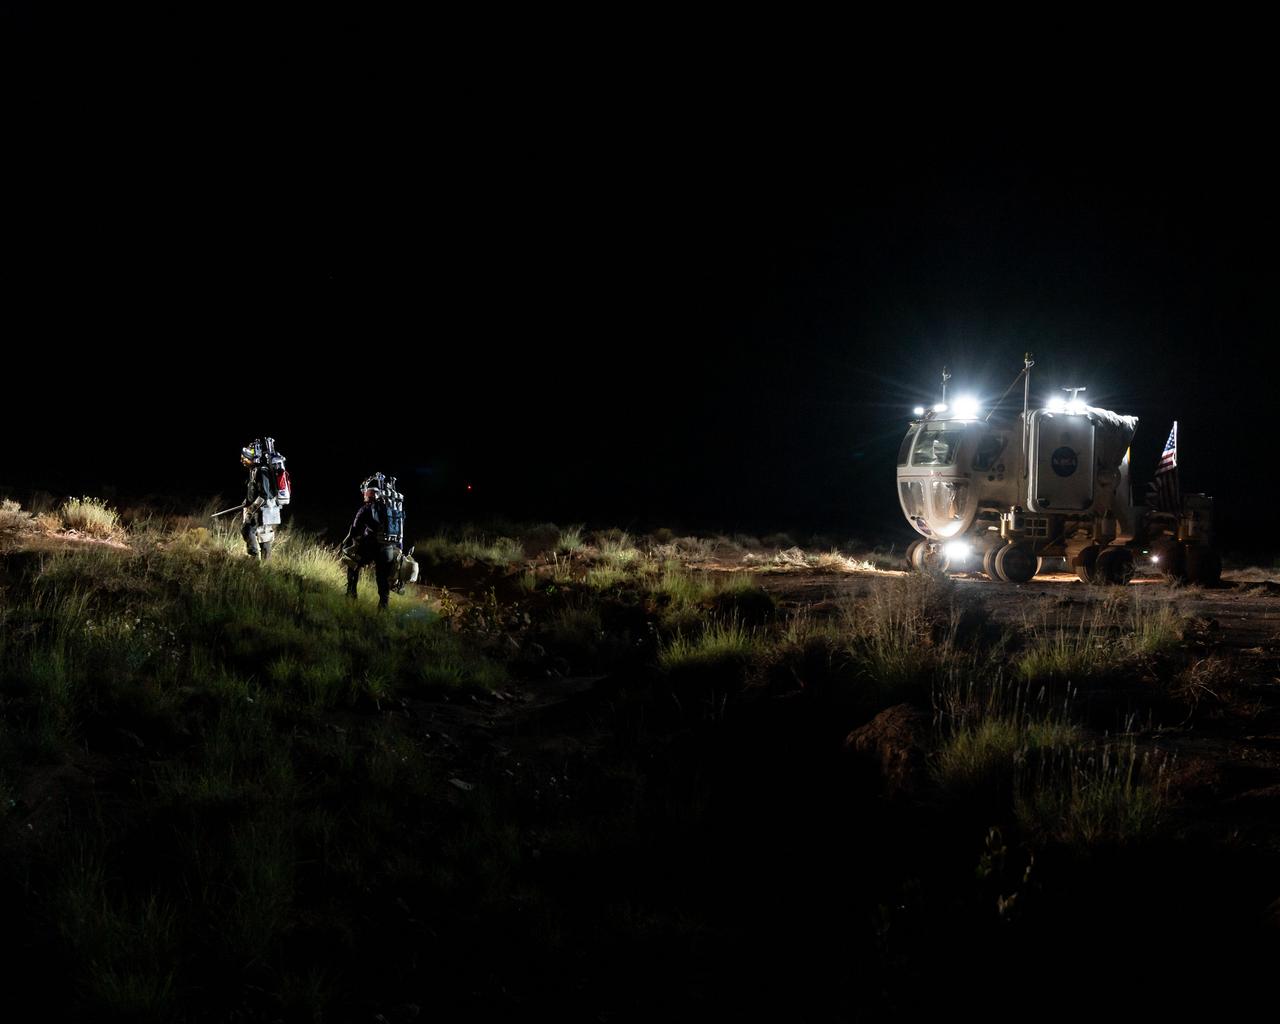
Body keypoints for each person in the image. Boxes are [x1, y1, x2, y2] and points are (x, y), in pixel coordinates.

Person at [341, 474, 402, 608]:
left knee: (353, 564)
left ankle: (351, 594)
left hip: (371, 546)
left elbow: (355, 530)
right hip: (389, 548)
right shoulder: (391, 510)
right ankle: (383, 605)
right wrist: (399, 548)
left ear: (368, 495)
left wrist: (347, 543)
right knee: (382, 577)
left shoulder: (366, 509)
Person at [240, 439, 282, 560]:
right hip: (256, 509)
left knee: (264, 538)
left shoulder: (262, 471)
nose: (242, 461)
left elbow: (265, 495)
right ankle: (254, 558)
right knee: (247, 530)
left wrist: (251, 509)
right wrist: (246, 502)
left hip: (265, 510)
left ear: (251, 458)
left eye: (244, 458)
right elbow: (253, 490)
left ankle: (262, 564)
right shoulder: (253, 469)